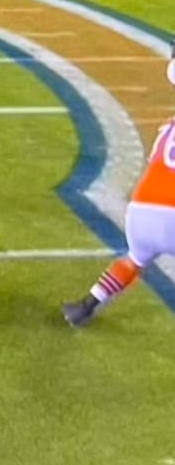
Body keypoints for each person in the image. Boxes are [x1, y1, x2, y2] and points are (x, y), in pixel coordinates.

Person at [63, 111, 175, 328]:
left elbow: (154, 162)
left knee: (133, 261)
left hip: (141, 211)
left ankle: (86, 306)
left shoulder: (168, 126)